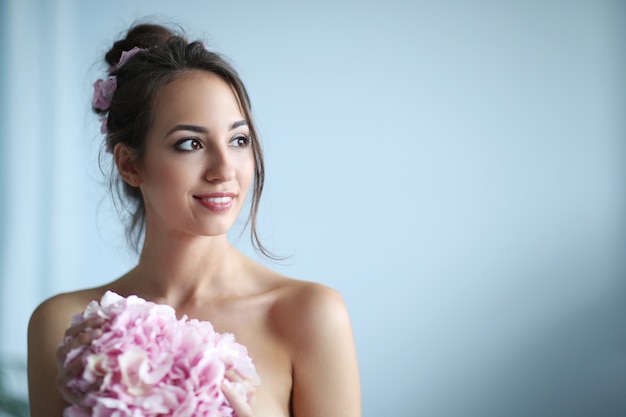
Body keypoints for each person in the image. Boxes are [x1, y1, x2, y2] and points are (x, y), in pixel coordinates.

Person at [27, 22, 361, 417]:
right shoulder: (65, 327)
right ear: (130, 163)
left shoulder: (309, 315)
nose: (225, 169)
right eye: (191, 143)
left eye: (239, 140)